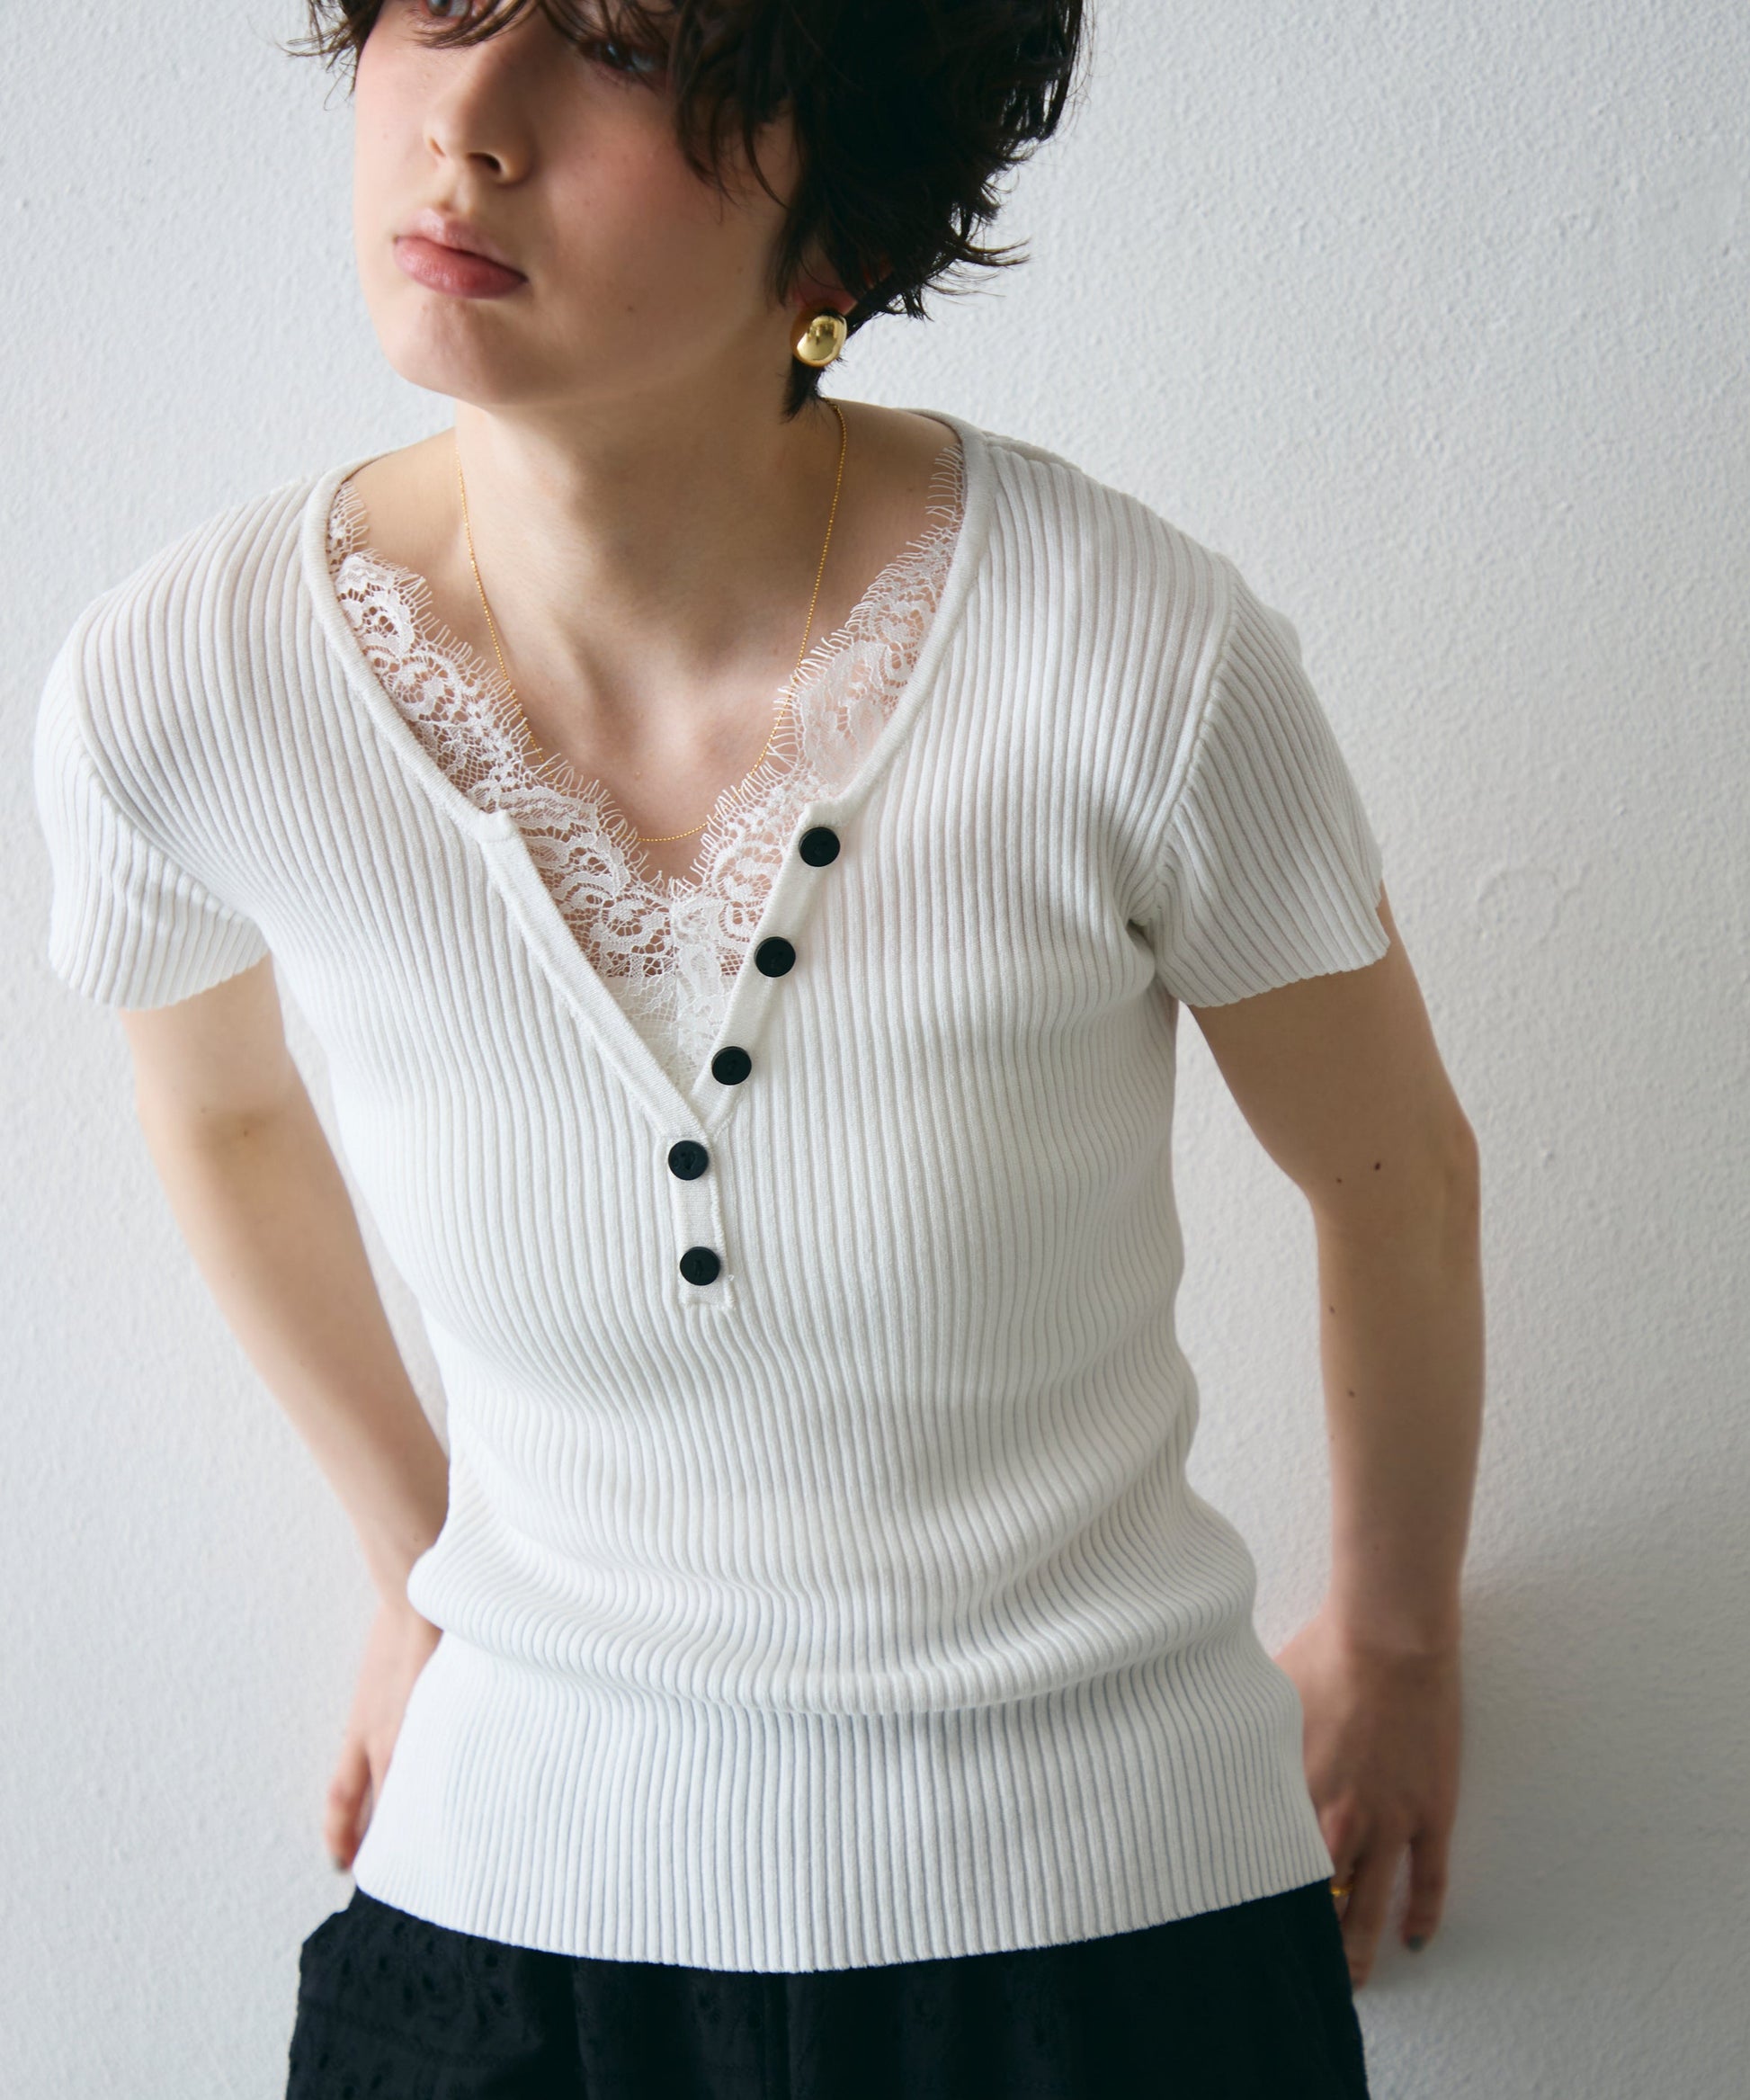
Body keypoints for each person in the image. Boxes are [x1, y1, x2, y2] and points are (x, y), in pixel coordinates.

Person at [31, 1, 1484, 2094]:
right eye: (442, 7)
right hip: (500, 1911)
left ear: (841, 228)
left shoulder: (1126, 653)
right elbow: (222, 1114)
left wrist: (1397, 1639)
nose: (471, 118)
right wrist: (412, 1560)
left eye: (624, 48)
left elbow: (1393, 1174)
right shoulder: (180, 685)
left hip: (1110, 1926)